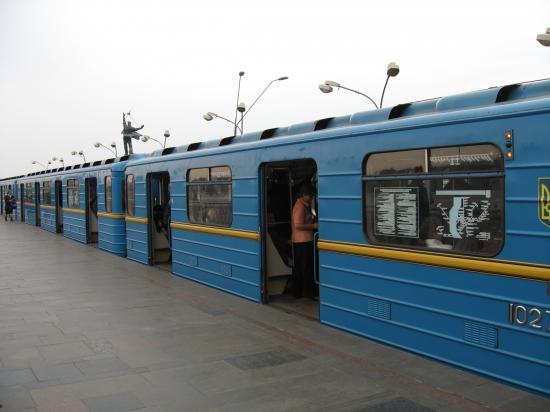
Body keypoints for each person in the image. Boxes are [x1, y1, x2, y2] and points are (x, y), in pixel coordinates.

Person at [291, 184, 318, 299]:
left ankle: (299, 292)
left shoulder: (304, 205)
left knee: (301, 267)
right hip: (303, 241)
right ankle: (308, 293)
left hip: (302, 240)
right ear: (304, 195)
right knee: (305, 268)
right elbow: (297, 225)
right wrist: (314, 225)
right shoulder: (300, 207)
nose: (312, 197)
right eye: (310, 195)